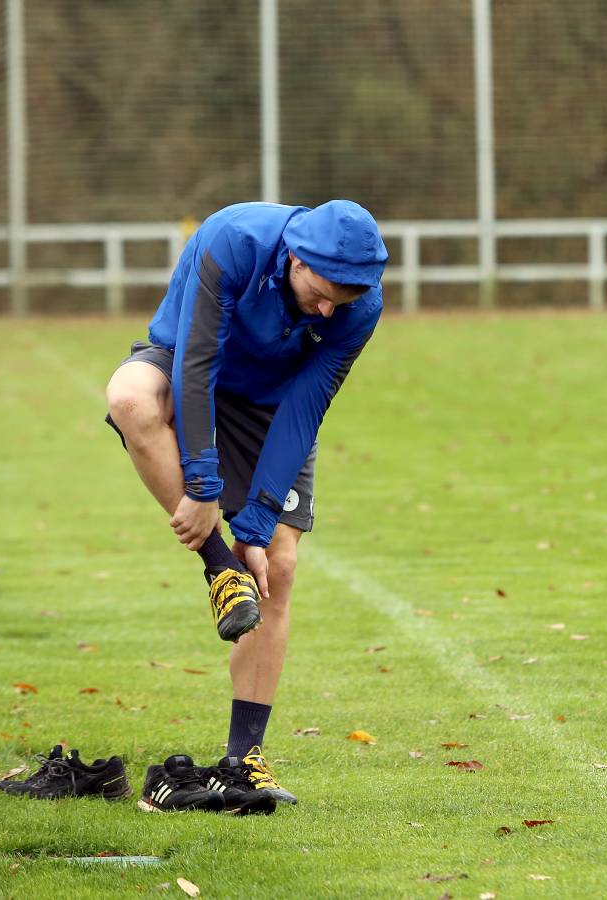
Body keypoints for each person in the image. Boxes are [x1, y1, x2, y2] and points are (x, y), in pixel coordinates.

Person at [104, 199, 387, 812]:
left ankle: (243, 761)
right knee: (129, 398)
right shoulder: (232, 240)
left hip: (270, 406)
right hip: (186, 369)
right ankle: (217, 569)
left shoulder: (359, 306)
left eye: (346, 296)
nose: (329, 309)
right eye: (321, 291)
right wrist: (204, 491)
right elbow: (196, 362)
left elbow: (305, 409)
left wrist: (255, 524)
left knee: (278, 567)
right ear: (294, 257)